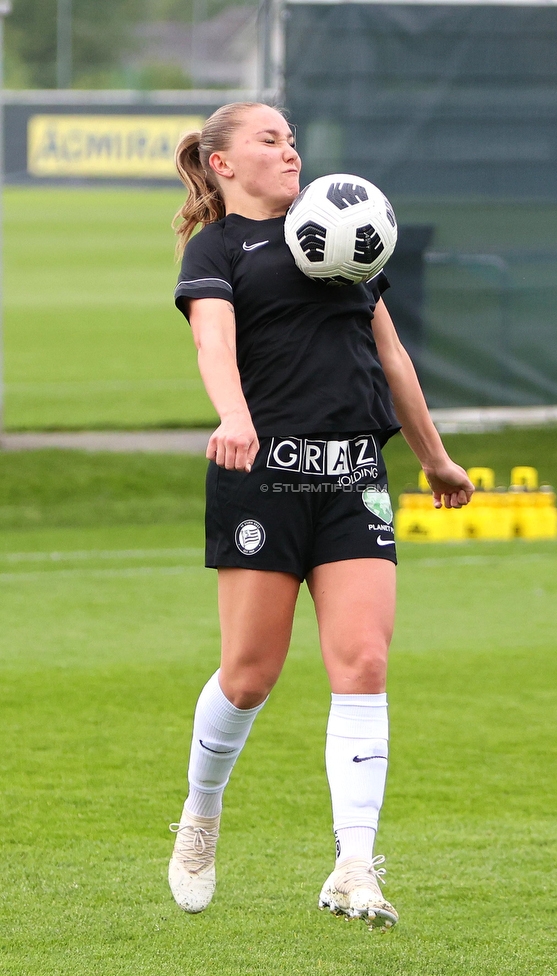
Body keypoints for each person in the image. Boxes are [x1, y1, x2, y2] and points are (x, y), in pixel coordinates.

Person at [168, 101, 473, 931]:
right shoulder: (219, 247)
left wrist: (435, 456)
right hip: (260, 479)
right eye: (270, 139)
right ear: (224, 163)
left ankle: (353, 864)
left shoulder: (341, 231)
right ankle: (200, 816)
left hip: (354, 480)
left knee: (364, 662)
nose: (290, 150)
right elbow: (212, 344)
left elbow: (391, 355)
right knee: (249, 675)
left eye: (293, 138)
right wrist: (233, 415)